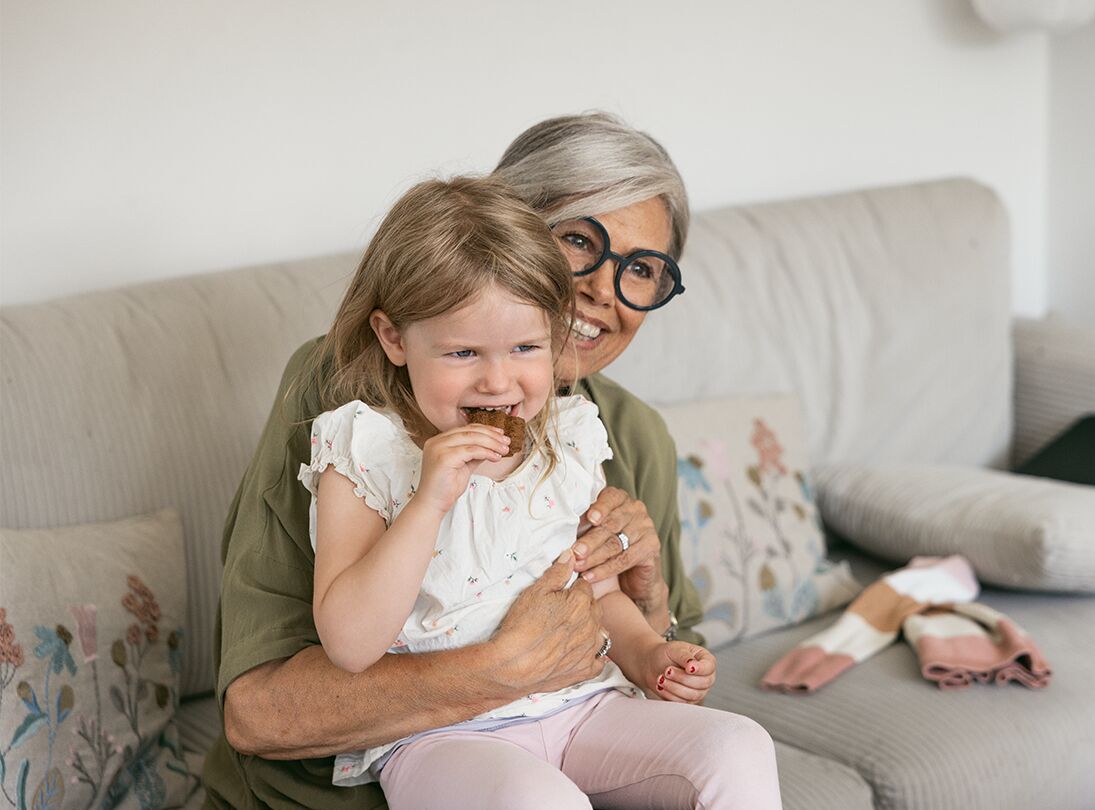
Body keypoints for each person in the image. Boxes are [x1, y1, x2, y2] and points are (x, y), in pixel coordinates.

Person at [202, 114, 727, 809]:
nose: (605, 290)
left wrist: (648, 603)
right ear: (504, 233)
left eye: (642, 270)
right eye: (578, 240)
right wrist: (495, 670)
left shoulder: (622, 434)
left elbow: (660, 670)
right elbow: (256, 712)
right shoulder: (343, 399)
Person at [296, 175, 779, 808]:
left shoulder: (571, 436)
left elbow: (597, 593)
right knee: (538, 800)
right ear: (393, 339)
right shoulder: (365, 450)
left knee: (737, 745)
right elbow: (351, 646)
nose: (499, 382)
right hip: (442, 737)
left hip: (582, 707)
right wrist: (429, 502)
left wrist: (649, 654)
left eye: (525, 347)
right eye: (463, 351)